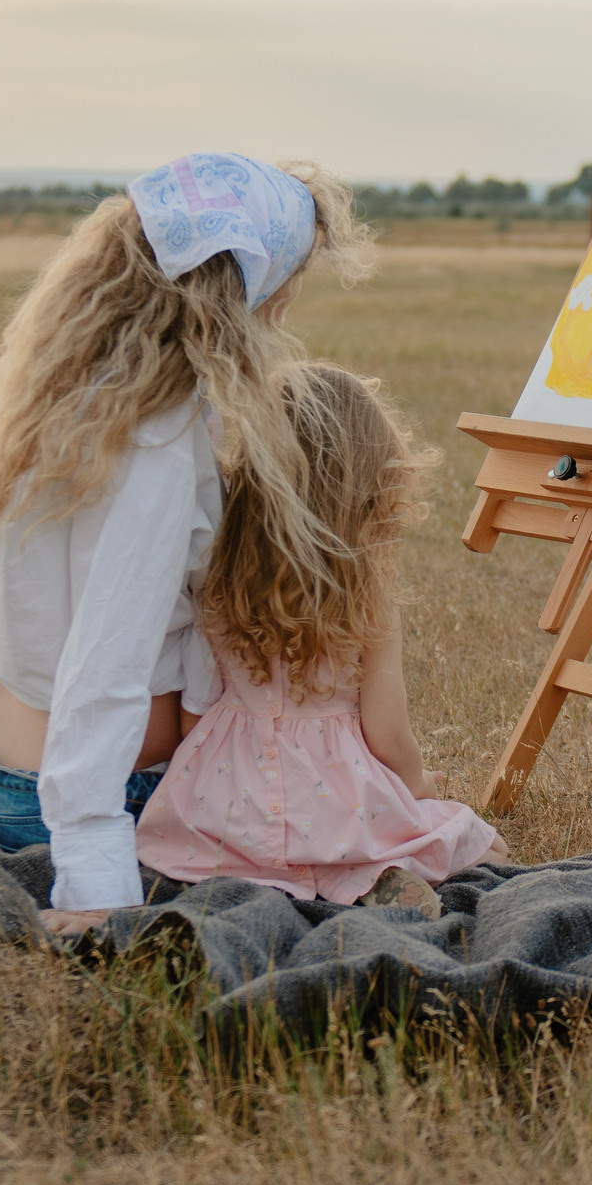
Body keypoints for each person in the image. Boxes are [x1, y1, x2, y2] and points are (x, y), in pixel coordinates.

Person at [0, 154, 374, 934]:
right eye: (287, 281)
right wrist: (93, 875)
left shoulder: (15, 405)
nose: (285, 306)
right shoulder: (156, 447)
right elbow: (103, 670)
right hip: (87, 802)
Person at [135, 362, 507, 911]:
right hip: (339, 798)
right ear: (369, 483)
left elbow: (197, 705)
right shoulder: (365, 592)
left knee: (230, 851)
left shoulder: (218, 579)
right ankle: (367, 877)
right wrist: (418, 785)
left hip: (225, 798)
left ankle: (270, 874)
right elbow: (387, 730)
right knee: (474, 842)